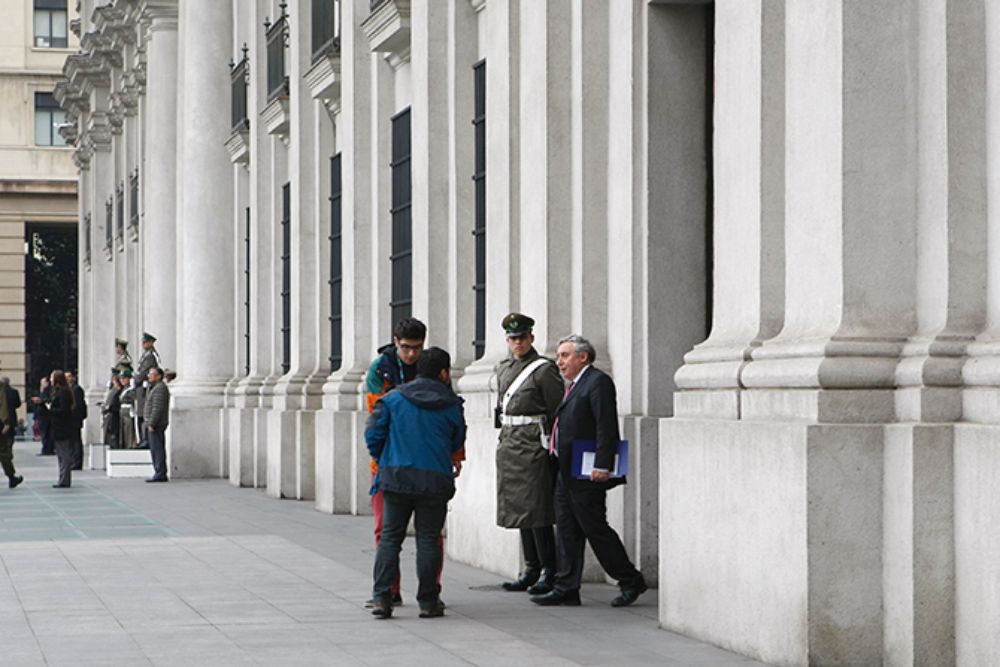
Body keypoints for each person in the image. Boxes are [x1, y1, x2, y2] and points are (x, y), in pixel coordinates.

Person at [529, 334, 648, 608]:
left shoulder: (598, 382)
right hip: (565, 470)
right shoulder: (573, 386)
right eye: (559, 356)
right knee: (567, 530)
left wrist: (602, 465)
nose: (559, 362)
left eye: (565, 355)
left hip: (587, 472)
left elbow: (606, 426)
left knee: (594, 528)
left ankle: (630, 579)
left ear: (583, 357)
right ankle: (566, 587)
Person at [365, 347, 466, 619]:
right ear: (444, 373)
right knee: (428, 540)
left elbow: (373, 434)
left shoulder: (392, 399)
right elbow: (457, 441)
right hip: (434, 480)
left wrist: (385, 458)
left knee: (389, 539)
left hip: (396, 477)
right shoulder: (452, 404)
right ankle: (428, 601)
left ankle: (382, 598)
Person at [493, 313, 564, 594]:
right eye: (512, 338)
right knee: (521, 508)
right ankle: (530, 567)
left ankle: (549, 569)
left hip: (534, 443)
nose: (517, 342)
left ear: (531, 338)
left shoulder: (543, 370)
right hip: (511, 443)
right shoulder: (502, 368)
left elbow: (556, 408)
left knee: (538, 509)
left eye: (522, 337)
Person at [364, 317, 429, 607]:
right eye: (405, 348)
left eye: (417, 348)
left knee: (430, 535)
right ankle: (389, 590)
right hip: (389, 461)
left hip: (425, 459)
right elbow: (376, 413)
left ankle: (431, 592)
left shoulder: (431, 364)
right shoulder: (381, 368)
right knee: (385, 530)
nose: (411, 354)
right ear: (395, 342)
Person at [39, 370, 75, 488]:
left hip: (62, 427)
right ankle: (63, 478)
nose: (51, 380)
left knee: (64, 454)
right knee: (61, 454)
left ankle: (64, 479)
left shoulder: (63, 392)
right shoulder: (61, 392)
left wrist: (51, 409)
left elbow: (64, 410)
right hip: (59, 426)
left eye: (52, 377)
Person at [143, 367, 170, 482]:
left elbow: (157, 408)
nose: (149, 376)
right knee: (155, 448)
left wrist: (152, 423)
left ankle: (160, 472)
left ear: (159, 376)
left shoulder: (159, 389)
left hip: (156, 424)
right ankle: (158, 471)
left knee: (157, 448)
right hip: (154, 423)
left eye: (152, 374)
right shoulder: (154, 387)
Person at [135, 332, 161, 445]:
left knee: (143, 415)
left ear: (151, 343)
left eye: (146, 342)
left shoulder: (150, 356)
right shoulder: (146, 355)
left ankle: (145, 440)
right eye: (143, 342)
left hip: (144, 389)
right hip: (141, 389)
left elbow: (143, 372)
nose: (143, 344)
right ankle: (142, 439)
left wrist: (135, 379)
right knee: (140, 415)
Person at [0, 378, 23, 489]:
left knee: (4, 451)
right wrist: (6, 422)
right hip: (4, 423)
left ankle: (12, 477)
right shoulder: (8, 390)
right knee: (4, 452)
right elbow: (3, 406)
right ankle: (11, 477)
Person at [65, 370, 87, 470]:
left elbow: (78, 405)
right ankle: (73, 460)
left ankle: (77, 462)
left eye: (69, 376)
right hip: (70, 419)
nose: (67, 379)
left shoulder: (77, 389)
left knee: (76, 441)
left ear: (73, 377)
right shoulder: (68, 389)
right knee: (72, 442)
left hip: (75, 419)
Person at [101, 369, 122, 449]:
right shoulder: (112, 390)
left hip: (113, 416)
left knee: (113, 437)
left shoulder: (117, 391)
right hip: (108, 416)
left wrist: (108, 407)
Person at [34, 376, 54, 456]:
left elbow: (47, 401)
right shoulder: (44, 390)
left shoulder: (47, 390)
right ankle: (48, 449)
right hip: (43, 415)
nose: (41, 384)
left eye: (42, 382)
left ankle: (46, 449)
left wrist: (40, 401)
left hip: (45, 416)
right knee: (46, 433)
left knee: (45, 433)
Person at [118, 370, 137, 449]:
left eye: (124, 378)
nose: (122, 380)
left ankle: (130, 446)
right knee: (123, 432)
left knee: (129, 431)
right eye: (121, 378)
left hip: (129, 412)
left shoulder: (131, 389)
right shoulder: (123, 389)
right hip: (122, 412)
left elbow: (133, 399)